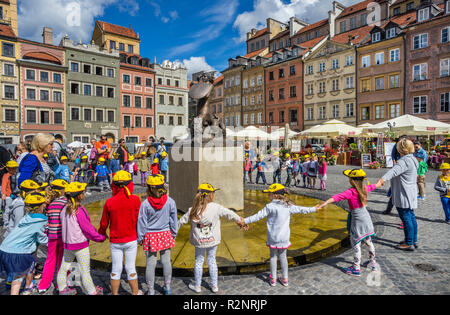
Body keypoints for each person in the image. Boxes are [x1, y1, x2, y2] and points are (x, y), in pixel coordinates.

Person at [242, 184, 318, 287]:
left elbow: (257, 216)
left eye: (270, 193)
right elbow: (302, 209)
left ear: (276, 196)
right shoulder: (288, 206)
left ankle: (273, 279)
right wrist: (313, 209)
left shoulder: (269, 207)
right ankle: (285, 279)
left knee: (273, 257)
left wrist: (244, 221)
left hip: (273, 238)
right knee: (283, 257)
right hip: (284, 238)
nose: (268, 195)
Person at [178, 183, 244, 293]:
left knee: (199, 261)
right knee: (212, 261)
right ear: (210, 195)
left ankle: (197, 286)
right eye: (213, 192)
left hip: (199, 241)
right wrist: (240, 220)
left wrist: (171, 233)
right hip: (213, 241)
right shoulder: (216, 207)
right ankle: (214, 286)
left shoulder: (193, 210)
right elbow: (230, 214)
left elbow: (180, 222)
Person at [318, 169, 383, 277]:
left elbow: (337, 197)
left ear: (352, 181)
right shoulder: (364, 188)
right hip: (366, 218)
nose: (349, 179)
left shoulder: (351, 192)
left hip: (357, 220)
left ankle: (356, 268)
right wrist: (379, 183)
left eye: (350, 178)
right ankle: (373, 263)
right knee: (368, 241)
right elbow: (374, 186)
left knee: (356, 243)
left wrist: (324, 203)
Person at [57, 182, 106, 295]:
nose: (84, 192)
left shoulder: (64, 209)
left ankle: (62, 289)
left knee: (63, 268)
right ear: (80, 195)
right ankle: (92, 292)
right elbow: (87, 229)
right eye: (83, 191)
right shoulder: (79, 210)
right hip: (80, 245)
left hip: (67, 244)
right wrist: (100, 238)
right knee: (85, 271)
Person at [99, 171, 142, 295]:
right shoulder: (135, 200)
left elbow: (103, 223)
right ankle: (135, 293)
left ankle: (115, 293)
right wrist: (141, 236)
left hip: (116, 241)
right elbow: (139, 221)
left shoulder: (109, 202)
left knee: (116, 269)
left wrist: (102, 233)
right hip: (131, 240)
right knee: (130, 267)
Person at [137, 174, 178, 295]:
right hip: (165, 234)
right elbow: (173, 220)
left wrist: (140, 237)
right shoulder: (170, 202)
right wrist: (173, 233)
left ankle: (150, 290)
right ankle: (167, 287)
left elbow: (141, 222)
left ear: (149, 188)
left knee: (150, 264)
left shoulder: (145, 204)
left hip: (150, 236)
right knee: (166, 262)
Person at [0, 193, 48, 295]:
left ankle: (27, 287)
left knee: (19, 276)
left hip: (5, 248)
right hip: (18, 253)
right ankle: (26, 288)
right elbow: (42, 239)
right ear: (42, 205)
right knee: (17, 281)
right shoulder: (41, 220)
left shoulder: (26, 217)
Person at [377, 138, 419, 251]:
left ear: (400, 149)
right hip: (411, 192)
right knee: (411, 216)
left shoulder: (404, 161)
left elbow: (393, 171)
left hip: (403, 193)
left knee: (406, 217)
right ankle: (413, 240)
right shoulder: (413, 159)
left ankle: (409, 242)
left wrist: (382, 179)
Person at [37, 179, 69, 294]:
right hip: (63, 236)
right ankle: (63, 283)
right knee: (63, 260)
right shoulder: (66, 202)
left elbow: (48, 221)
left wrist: (47, 232)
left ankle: (43, 285)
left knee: (50, 260)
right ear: (64, 191)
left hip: (51, 236)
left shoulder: (50, 203)